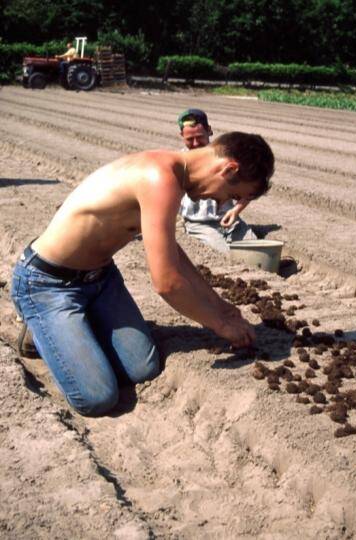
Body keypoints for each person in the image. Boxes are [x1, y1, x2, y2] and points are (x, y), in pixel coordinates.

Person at [11, 132, 275, 417]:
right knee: (97, 397)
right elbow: (167, 283)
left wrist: (221, 308)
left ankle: (80, 327)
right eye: (232, 196)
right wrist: (219, 325)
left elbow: (171, 252)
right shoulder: (159, 178)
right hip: (47, 284)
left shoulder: (171, 175)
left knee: (142, 368)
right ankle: (39, 327)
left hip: (100, 280)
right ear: (228, 169)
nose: (223, 204)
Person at [178, 109, 258, 253]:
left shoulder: (227, 158)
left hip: (232, 222)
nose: (195, 143)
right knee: (225, 255)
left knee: (255, 252)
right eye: (190, 139)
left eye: (199, 137)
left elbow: (252, 186)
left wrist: (235, 211)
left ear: (209, 131)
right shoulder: (179, 163)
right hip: (199, 225)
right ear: (181, 136)